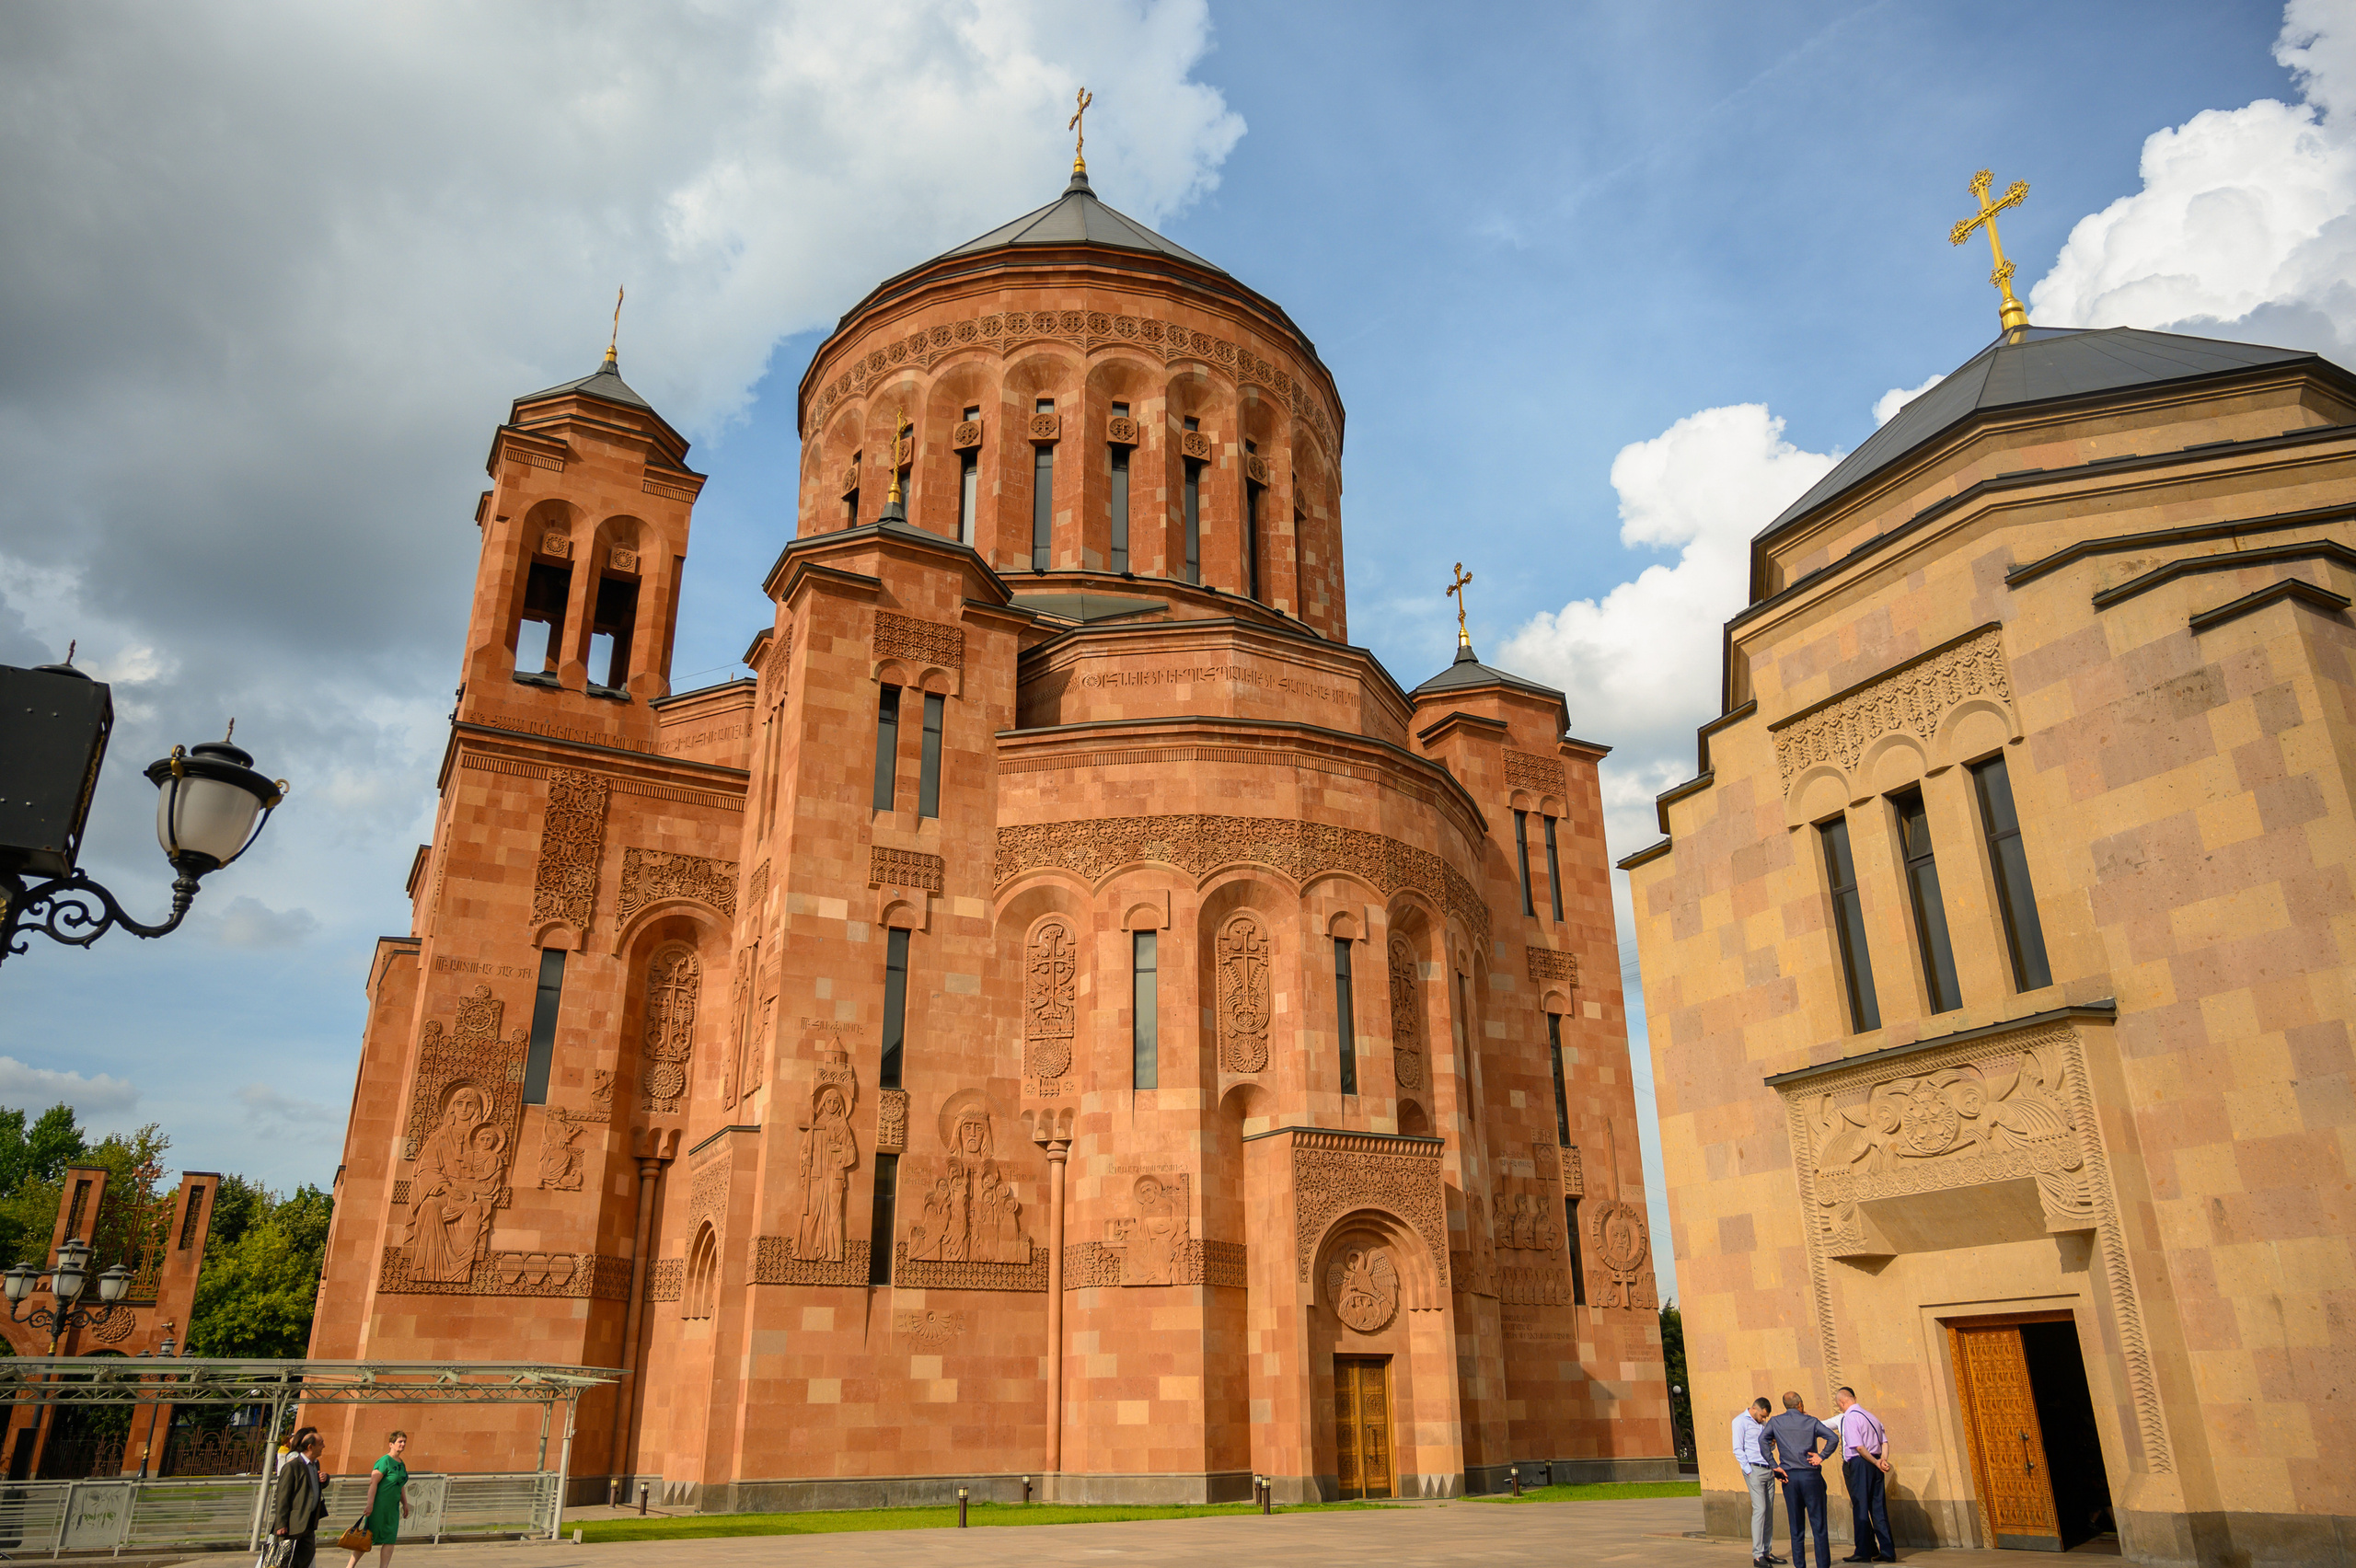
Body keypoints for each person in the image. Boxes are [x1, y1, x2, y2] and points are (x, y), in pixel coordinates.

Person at [1762, 1391, 1842, 1568]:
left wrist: (1774, 1464)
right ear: (1800, 1404)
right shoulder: (1811, 1421)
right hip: (1810, 1475)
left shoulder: (1776, 1421)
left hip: (1789, 1477)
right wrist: (1821, 1456)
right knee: (1818, 1524)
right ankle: (1822, 1565)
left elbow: (1762, 1440)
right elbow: (1833, 1437)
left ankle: (1800, 1565)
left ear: (1785, 1405)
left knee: (1796, 1525)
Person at [1834, 1386, 1897, 1562]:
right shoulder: (1872, 1417)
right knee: (1878, 1508)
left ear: (1842, 1402)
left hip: (1862, 1463)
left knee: (1861, 1507)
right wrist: (1882, 1460)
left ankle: (1863, 1550)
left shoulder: (1850, 1418)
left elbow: (1859, 1447)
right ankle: (1887, 1551)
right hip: (1876, 1462)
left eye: (1839, 1405)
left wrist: (1875, 1461)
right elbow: (1884, 1442)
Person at [1732, 1397, 1785, 1566]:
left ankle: (1767, 1552)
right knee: (1760, 1509)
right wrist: (1748, 1470)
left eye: (1765, 1417)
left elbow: (1767, 1446)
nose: (1764, 1419)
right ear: (1754, 1408)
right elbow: (1737, 1448)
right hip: (1753, 1470)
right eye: (1762, 1416)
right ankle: (1757, 1555)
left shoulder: (1762, 1424)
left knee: (1768, 1511)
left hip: (1768, 1468)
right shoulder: (1740, 1421)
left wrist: (1773, 1444)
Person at [348, 1431, 410, 1568]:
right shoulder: (384, 1461)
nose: (403, 1444)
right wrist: (370, 1504)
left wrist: (405, 1503)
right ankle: (350, 1566)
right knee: (368, 1537)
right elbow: (373, 1483)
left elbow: (400, 1485)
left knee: (390, 1539)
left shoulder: (401, 1463)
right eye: (400, 1441)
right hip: (379, 1507)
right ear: (391, 1444)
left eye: (404, 1441)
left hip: (392, 1508)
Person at [270, 1427, 328, 1568]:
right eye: (321, 1443)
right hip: (292, 1524)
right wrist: (281, 1524)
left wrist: (325, 1479)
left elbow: (313, 1486)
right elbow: (283, 1496)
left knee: (307, 1555)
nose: (323, 1446)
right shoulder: (293, 1466)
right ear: (310, 1446)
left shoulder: (315, 1464)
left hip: (309, 1521)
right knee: (283, 1562)